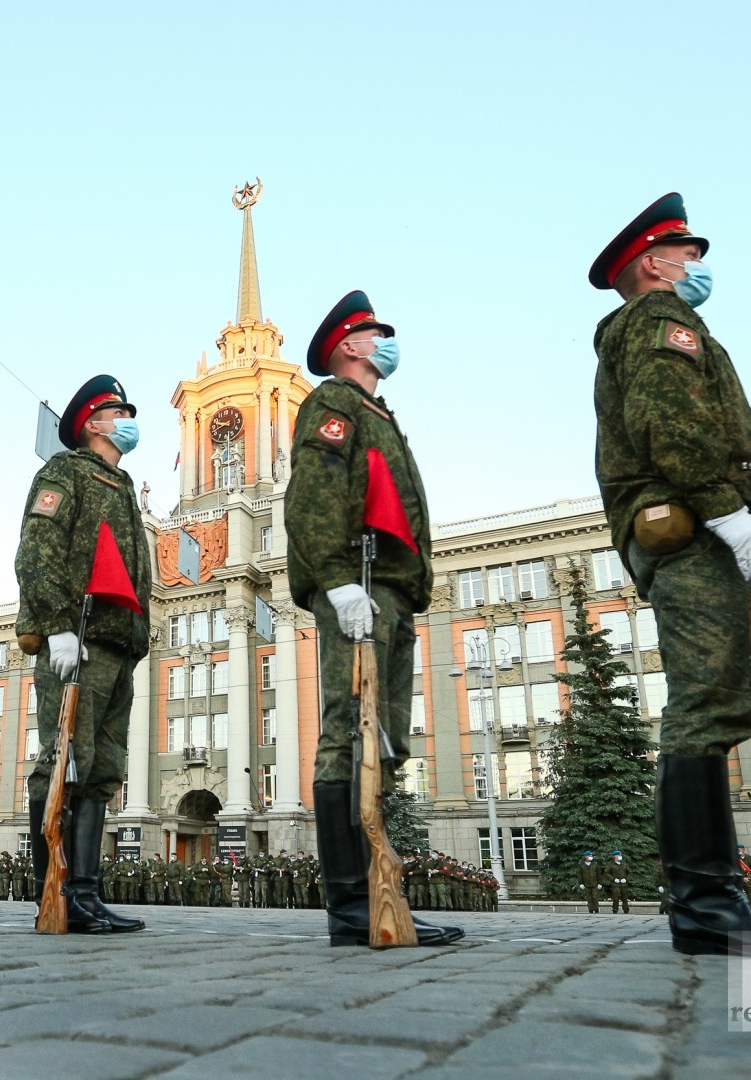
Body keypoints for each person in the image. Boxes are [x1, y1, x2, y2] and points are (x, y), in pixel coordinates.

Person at [589, 192, 751, 956]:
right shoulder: (656, 322)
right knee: (705, 699)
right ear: (652, 263)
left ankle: (708, 899)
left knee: (715, 696)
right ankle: (705, 904)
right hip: (692, 522)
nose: (699, 267)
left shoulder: (662, 324)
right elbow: (668, 421)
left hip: (695, 518)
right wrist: (728, 513)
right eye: (689, 255)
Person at [287, 289, 462, 948]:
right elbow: (315, 495)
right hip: (358, 585)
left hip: (390, 588)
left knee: (384, 739)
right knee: (346, 731)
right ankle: (353, 906)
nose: (390, 341)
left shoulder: (376, 412)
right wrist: (335, 581)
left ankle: (384, 897)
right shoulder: (332, 402)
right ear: (350, 345)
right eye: (379, 333)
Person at [15, 375, 152, 935]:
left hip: (118, 646)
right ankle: (56, 890)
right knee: (65, 760)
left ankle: (86, 892)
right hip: (79, 639)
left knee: (101, 769)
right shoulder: (65, 472)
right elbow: (37, 550)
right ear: (93, 422)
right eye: (119, 412)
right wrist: (56, 627)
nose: (128, 420)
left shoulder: (120, 486)